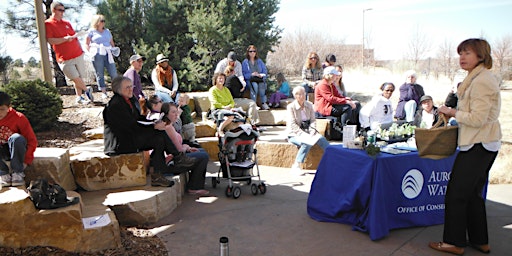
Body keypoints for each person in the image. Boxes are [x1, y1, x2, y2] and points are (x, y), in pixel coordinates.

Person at [429, 38, 501, 255]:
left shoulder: (482, 81)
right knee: (471, 195)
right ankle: (480, 240)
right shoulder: (475, 78)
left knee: (456, 195)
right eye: (460, 53)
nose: (462, 57)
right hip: (480, 143)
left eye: (467, 53)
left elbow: (478, 118)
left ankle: (454, 242)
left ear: (480, 55)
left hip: (479, 143)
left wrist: (452, 113)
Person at [103, 76, 196, 187]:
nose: (130, 89)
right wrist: (153, 126)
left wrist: (155, 123)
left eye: (131, 86)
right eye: (127, 87)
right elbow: (130, 126)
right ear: (118, 89)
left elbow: (138, 120)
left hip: (130, 137)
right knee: (158, 135)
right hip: (120, 143)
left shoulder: (130, 100)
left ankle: (162, 171)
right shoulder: (115, 105)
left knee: (159, 136)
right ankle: (176, 158)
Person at [45, 1, 94, 104]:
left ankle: (79, 97)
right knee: (74, 77)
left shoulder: (66, 23)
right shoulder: (48, 24)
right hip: (64, 57)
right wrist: (65, 39)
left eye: (64, 10)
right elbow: (50, 40)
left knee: (78, 77)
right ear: (54, 10)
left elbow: (73, 36)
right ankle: (87, 90)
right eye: (60, 10)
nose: (63, 12)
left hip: (77, 53)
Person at [161, 103, 209, 196]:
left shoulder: (170, 125)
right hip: (171, 162)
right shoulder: (168, 128)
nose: (176, 114)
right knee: (203, 156)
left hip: (176, 157)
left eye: (176, 112)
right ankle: (194, 187)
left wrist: (187, 147)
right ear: (166, 114)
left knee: (201, 151)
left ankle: (196, 183)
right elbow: (178, 150)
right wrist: (186, 147)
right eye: (173, 112)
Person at [287, 86, 330, 176]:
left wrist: (312, 130)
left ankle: (333, 159)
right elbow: (293, 125)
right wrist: (303, 134)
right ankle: (296, 165)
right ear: (295, 96)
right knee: (306, 142)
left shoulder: (309, 105)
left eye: (303, 93)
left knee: (322, 139)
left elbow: (313, 120)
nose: (301, 96)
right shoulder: (291, 107)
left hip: (308, 131)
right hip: (295, 133)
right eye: (298, 94)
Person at [0, 92, 37, 187]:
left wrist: (26, 160)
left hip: (16, 150)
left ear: (9, 107)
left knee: (17, 138)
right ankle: (3, 173)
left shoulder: (19, 118)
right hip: (1, 152)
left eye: (2, 109)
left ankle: (17, 173)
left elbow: (31, 141)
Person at [85, 14, 118, 100]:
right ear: (97, 22)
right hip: (97, 53)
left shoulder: (107, 31)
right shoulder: (91, 31)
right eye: (101, 21)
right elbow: (87, 43)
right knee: (100, 73)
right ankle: (103, 92)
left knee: (113, 72)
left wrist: (113, 50)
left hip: (108, 53)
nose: (103, 23)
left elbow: (111, 42)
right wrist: (91, 52)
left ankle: (116, 91)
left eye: (104, 21)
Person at [242, 45, 269, 110]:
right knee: (255, 86)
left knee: (262, 85)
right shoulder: (245, 62)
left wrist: (261, 75)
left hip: (259, 79)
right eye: (250, 51)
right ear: (248, 52)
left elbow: (265, 71)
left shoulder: (259, 61)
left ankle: (263, 103)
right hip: (250, 80)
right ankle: (254, 104)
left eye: (254, 51)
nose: (252, 53)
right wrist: (251, 74)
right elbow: (243, 74)